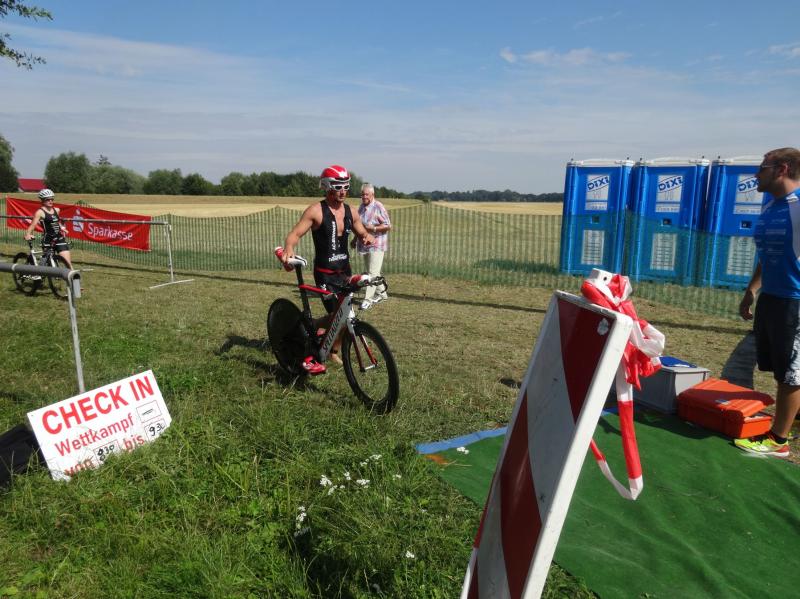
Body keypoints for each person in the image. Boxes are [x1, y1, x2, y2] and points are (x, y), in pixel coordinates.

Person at [736, 147, 800, 458]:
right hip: (772, 298)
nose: (756, 174)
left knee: (791, 373)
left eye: (762, 167)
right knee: (778, 367)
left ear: (782, 169)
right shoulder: (771, 206)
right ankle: (794, 416)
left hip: (795, 301)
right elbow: (767, 253)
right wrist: (752, 289)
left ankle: (778, 441)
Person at [281, 165, 374, 373]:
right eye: (338, 186)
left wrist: (366, 237)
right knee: (337, 314)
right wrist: (289, 248)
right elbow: (295, 234)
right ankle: (315, 331)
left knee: (345, 314)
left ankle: (332, 349)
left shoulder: (351, 211)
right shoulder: (316, 211)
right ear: (327, 186)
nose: (343, 191)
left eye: (346, 186)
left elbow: (361, 232)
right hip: (325, 273)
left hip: (344, 271)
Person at [351, 183, 391, 310]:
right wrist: (354, 239)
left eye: (366, 194)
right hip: (365, 244)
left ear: (372, 194)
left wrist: (373, 228)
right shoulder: (361, 207)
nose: (364, 197)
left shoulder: (378, 206)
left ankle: (367, 300)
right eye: (362, 194)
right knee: (373, 272)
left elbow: (388, 225)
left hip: (377, 244)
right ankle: (383, 295)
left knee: (371, 273)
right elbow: (359, 226)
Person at [24, 188, 73, 269]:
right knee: (48, 264)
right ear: (42, 200)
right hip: (48, 240)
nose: (50, 201)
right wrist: (28, 234)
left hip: (59, 238)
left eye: (52, 199)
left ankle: (72, 276)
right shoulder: (40, 212)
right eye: (48, 199)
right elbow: (33, 225)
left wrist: (61, 227)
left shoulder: (57, 210)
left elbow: (56, 221)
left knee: (67, 263)